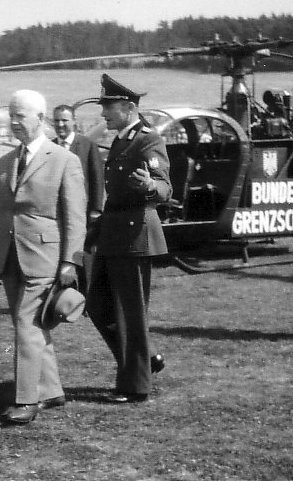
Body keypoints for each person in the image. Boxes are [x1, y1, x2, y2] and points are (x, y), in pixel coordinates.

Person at [0, 90, 86, 424]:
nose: (14, 122)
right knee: (33, 324)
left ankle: (26, 400)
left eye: (21, 116)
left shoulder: (64, 160)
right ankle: (52, 391)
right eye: (11, 116)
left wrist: (70, 260)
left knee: (26, 325)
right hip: (9, 258)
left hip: (45, 258)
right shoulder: (4, 162)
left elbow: (75, 217)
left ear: (41, 119)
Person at [85, 74, 172, 404]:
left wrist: (149, 186)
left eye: (108, 107)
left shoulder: (148, 140)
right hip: (114, 234)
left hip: (135, 236)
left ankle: (135, 386)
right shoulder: (123, 140)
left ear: (128, 107)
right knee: (97, 306)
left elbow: (164, 188)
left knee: (129, 314)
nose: (103, 113)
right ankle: (144, 359)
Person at [53, 104, 105, 291]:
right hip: (58, 215)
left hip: (83, 215)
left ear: (73, 121)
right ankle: (64, 295)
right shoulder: (50, 146)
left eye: (64, 120)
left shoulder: (87, 145)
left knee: (83, 256)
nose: (60, 124)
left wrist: (96, 210)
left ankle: (88, 295)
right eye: (57, 121)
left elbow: (97, 179)